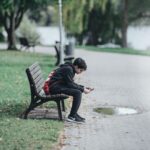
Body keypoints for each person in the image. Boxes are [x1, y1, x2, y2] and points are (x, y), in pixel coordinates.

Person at [43, 58, 94, 123]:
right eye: (80, 70)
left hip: (57, 86)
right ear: (76, 66)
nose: (80, 72)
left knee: (77, 91)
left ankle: (74, 114)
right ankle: (72, 116)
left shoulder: (70, 68)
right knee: (77, 93)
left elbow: (71, 83)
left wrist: (83, 87)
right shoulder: (68, 69)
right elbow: (70, 84)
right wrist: (83, 89)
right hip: (53, 88)